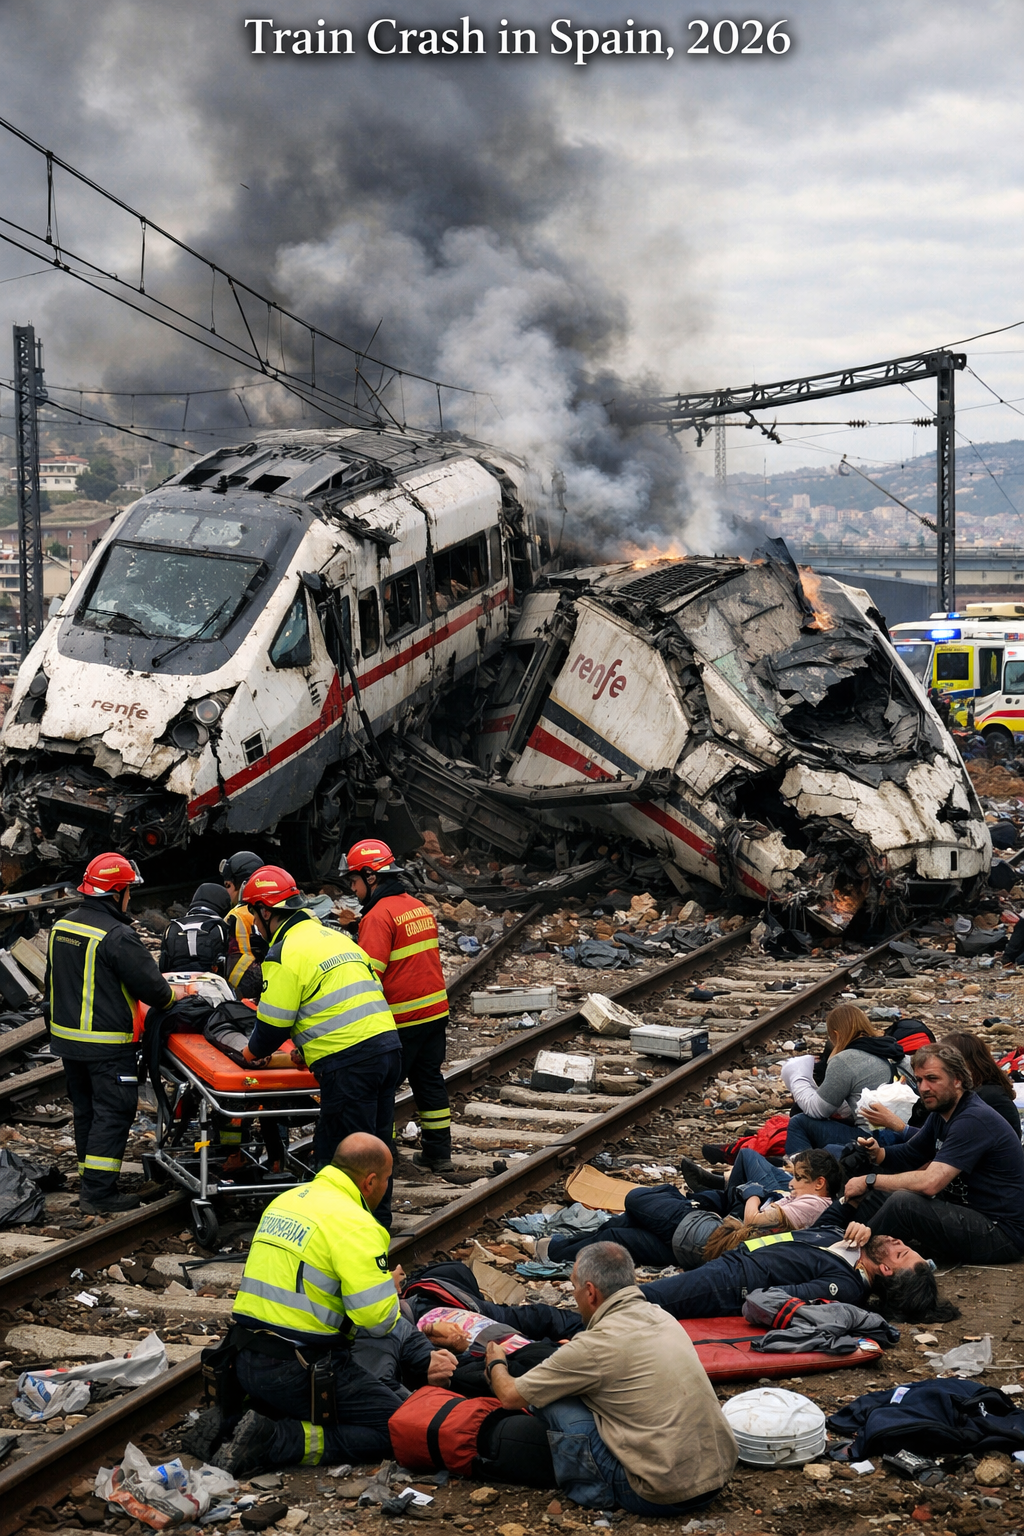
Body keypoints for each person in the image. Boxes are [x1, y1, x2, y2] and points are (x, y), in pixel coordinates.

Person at [212, 1134, 457, 1476]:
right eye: (387, 1180)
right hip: (299, 1371)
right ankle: (278, 1440)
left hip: (242, 1361)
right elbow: (376, 1321)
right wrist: (389, 1290)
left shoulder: (287, 1200)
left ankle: (234, 1424)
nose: (386, 1188)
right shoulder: (356, 1223)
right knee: (399, 1429)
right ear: (370, 1181)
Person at [482, 1243, 737, 1515]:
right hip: (716, 1477)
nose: (575, 1295)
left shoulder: (593, 1346)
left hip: (660, 1494)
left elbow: (509, 1396)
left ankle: (594, 1489)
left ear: (591, 1292)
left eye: (575, 1286)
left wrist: (496, 1360)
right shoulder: (662, 1316)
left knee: (553, 1400)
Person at [238, 865, 403, 1223]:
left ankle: (345, 1229)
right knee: (376, 1146)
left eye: (254, 913)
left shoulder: (284, 951)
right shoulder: (333, 937)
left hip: (350, 1063)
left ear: (266, 911)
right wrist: (306, 1047)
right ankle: (378, 1222)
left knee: (341, 1155)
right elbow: (334, 1001)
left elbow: (271, 1026)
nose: (254, 923)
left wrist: (249, 1054)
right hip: (387, 1049)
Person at [44, 852, 184, 1214]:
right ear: (117, 891)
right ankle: (99, 1193)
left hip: (68, 1043)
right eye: (128, 892)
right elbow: (155, 991)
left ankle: (89, 1178)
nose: (130, 899)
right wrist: (176, 998)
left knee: (86, 1109)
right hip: (107, 1045)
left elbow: (52, 986)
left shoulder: (63, 927)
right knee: (114, 1110)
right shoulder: (118, 935)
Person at [841, 1042, 1024, 1266]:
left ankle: (850, 1261)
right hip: (970, 1214)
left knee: (903, 1202)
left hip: (1001, 1233)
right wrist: (877, 1154)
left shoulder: (972, 1120)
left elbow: (930, 1183)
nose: (924, 1087)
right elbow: (910, 1154)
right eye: (919, 1080)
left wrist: (870, 1180)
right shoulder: (943, 1113)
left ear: (957, 1080)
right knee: (878, 1192)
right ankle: (842, 1237)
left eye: (932, 1079)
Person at [340, 839, 454, 1174]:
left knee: (382, 1089)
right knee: (429, 1081)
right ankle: (439, 1152)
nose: (352, 887)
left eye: (354, 881)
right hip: (435, 1013)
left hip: (403, 1019)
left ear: (371, 877)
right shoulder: (417, 907)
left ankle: (386, 1158)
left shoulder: (378, 916)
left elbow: (370, 975)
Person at [541, 1150, 841, 1269]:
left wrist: (753, 1194)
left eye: (799, 1179)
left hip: (705, 1236)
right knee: (621, 1234)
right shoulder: (809, 1199)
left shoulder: (813, 1204)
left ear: (819, 1183)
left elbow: (754, 1219)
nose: (792, 1184)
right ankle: (558, 1251)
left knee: (636, 1199)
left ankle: (680, 1199)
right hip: (699, 1247)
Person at [638, 1225, 959, 1324]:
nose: (897, 1240)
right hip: (733, 1263)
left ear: (886, 1270)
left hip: (731, 1282)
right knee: (626, 1237)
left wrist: (744, 1287)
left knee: (643, 1299)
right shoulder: (850, 1244)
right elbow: (828, 1218)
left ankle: (585, 1326)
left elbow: (778, 1296)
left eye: (900, 1252)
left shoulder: (845, 1287)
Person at [783, 1005, 906, 1154]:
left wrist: (797, 1075)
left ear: (836, 1034)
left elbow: (817, 1110)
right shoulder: (886, 1048)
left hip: (873, 1139)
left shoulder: (845, 1060)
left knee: (799, 1122)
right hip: (903, 1133)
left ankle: (804, 1173)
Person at [159, 883, 232, 976]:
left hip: (175, 983)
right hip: (211, 982)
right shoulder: (221, 926)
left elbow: (163, 965)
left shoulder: (173, 926)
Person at [220, 851, 266, 994]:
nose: (226, 892)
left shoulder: (236, 915)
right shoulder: (272, 909)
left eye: (228, 886)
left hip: (244, 987)